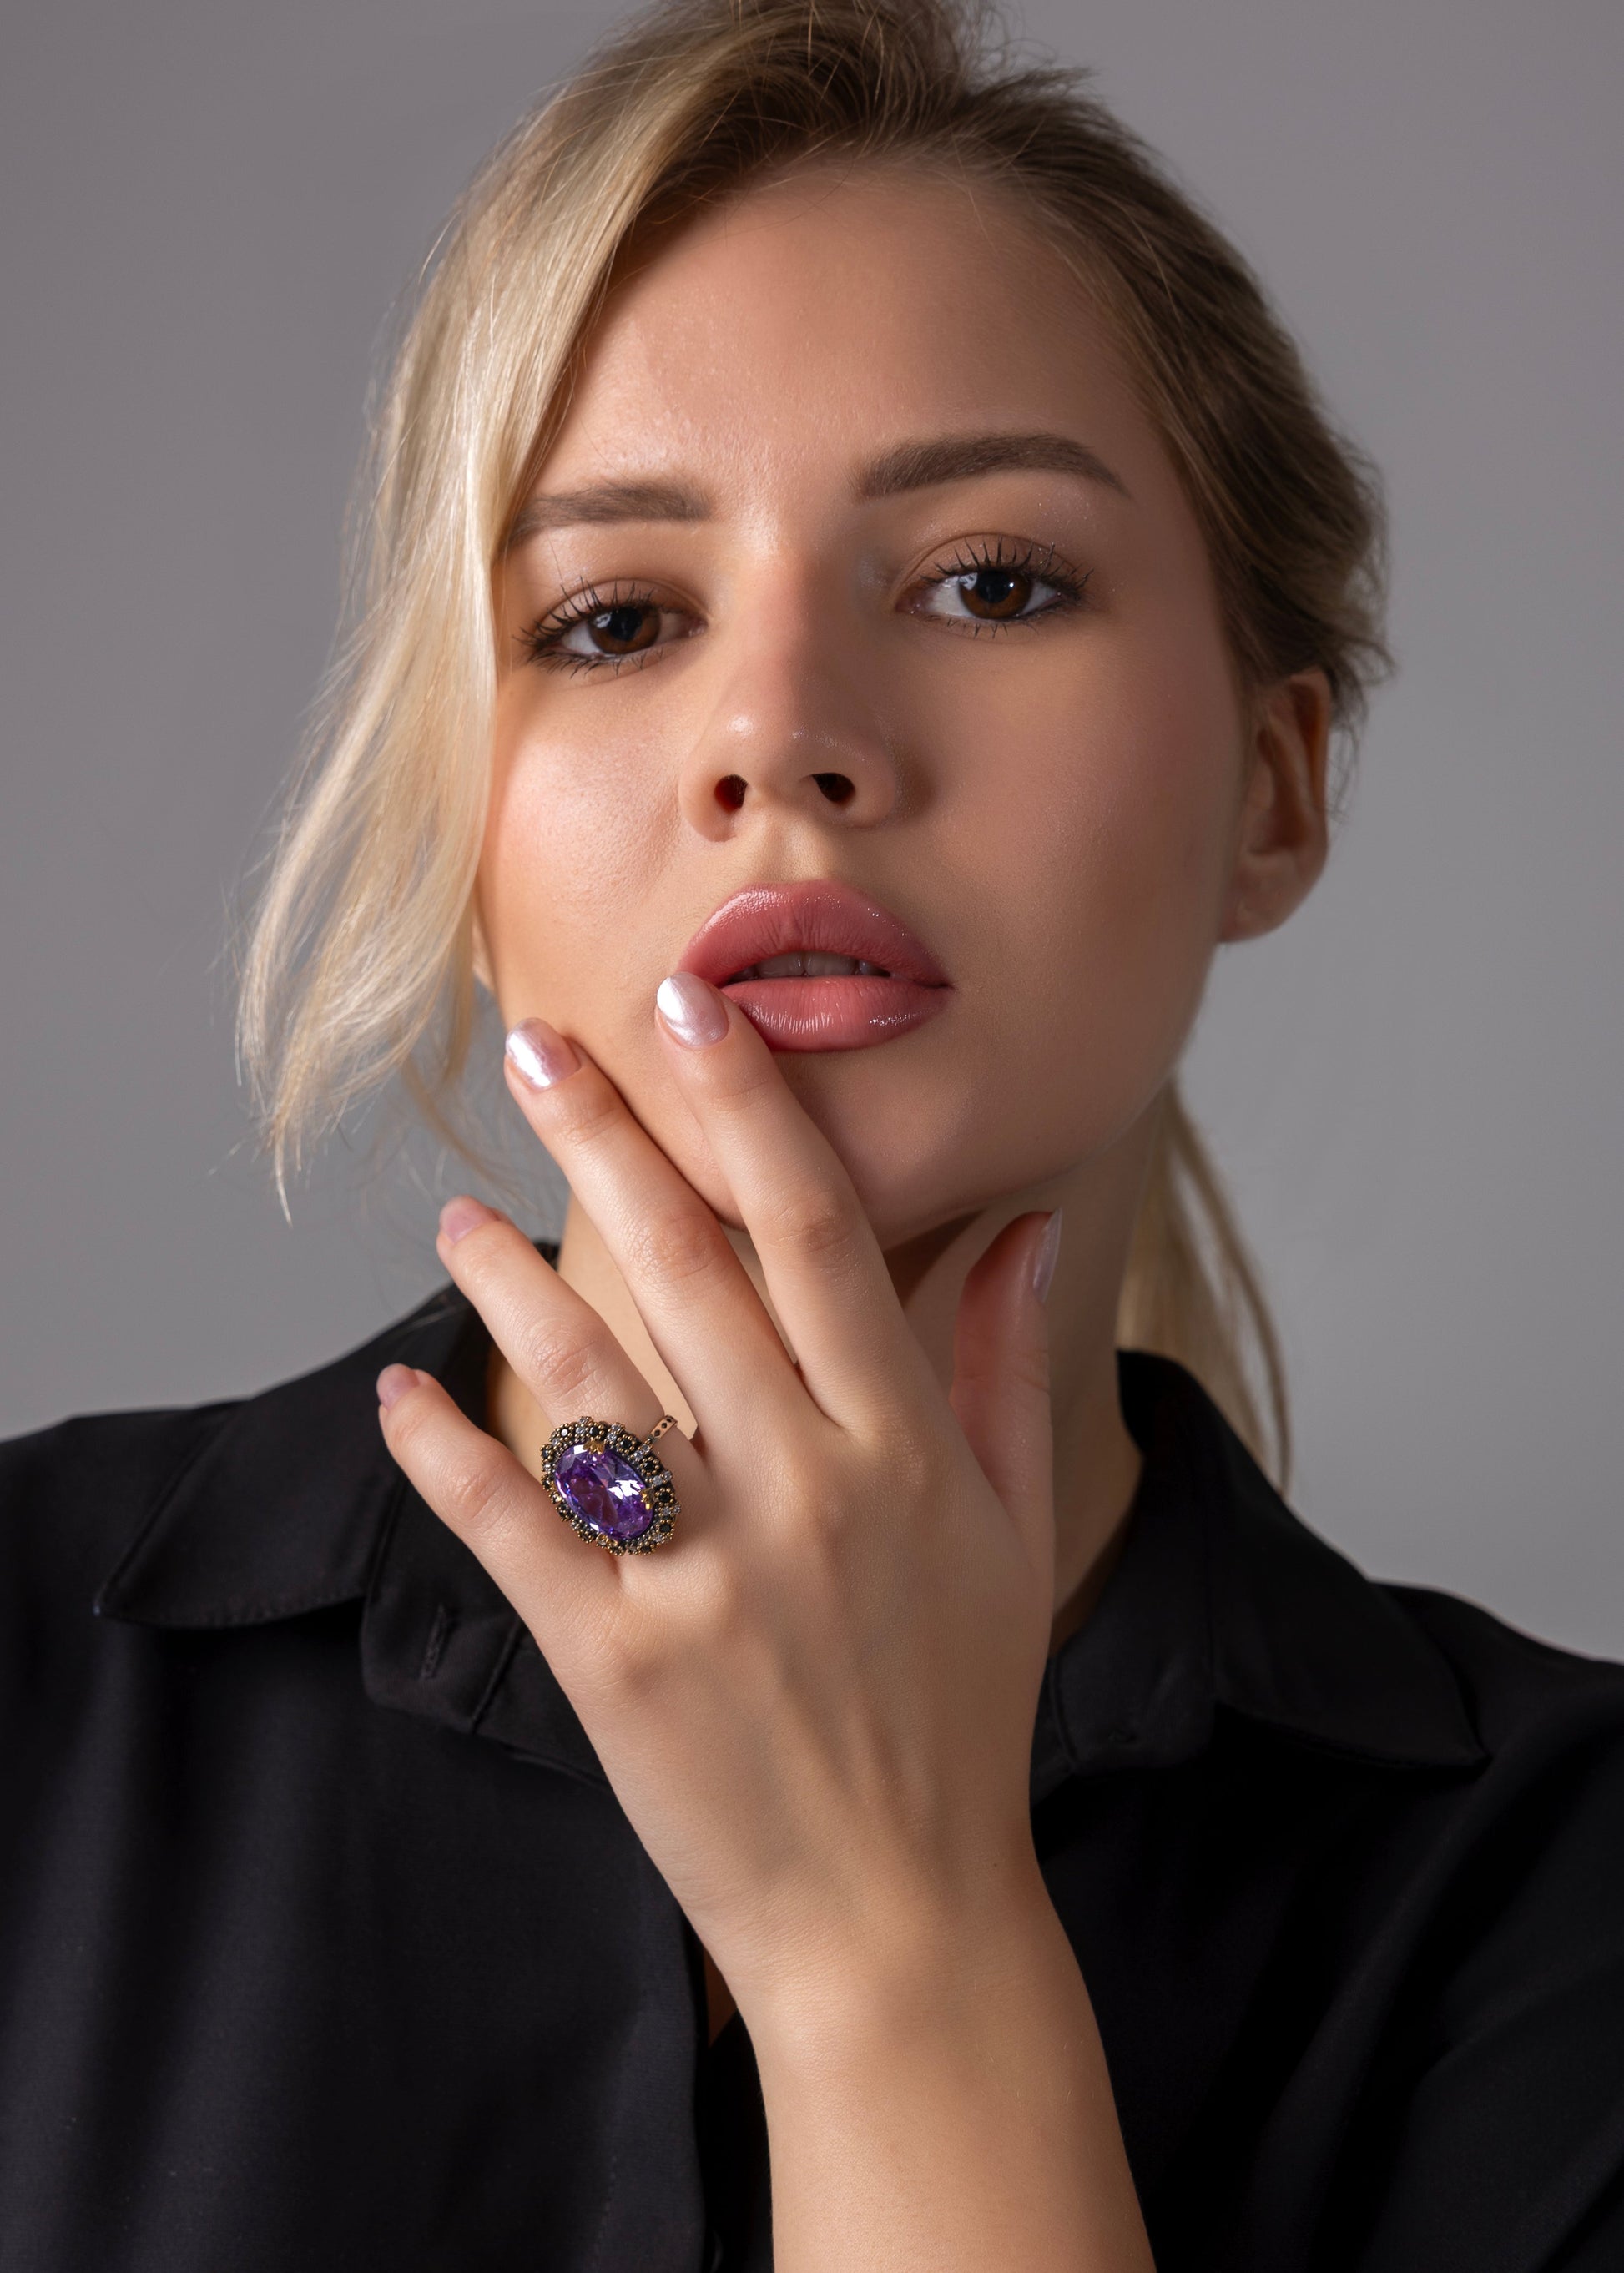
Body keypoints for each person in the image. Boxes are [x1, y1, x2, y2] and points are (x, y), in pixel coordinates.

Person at [3, 1, 1621, 2266]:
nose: (780, 731)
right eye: (614, 614)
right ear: (464, 828)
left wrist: (897, 1953)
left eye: (989, 580)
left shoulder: (1568, 1897)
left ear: (1274, 782)